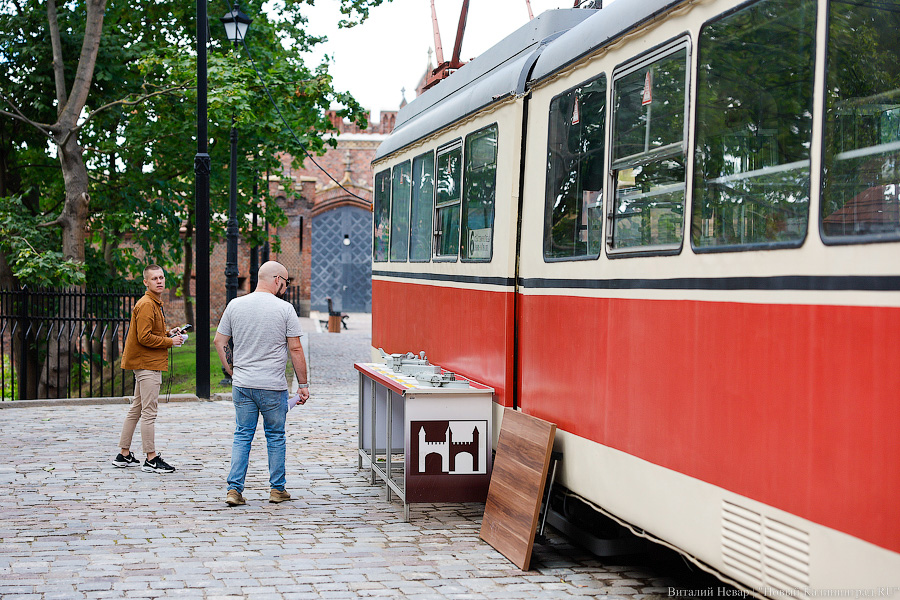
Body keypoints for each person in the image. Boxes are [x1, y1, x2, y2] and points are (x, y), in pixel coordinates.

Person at [214, 261, 310, 506]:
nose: (286, 288)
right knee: (275, 436)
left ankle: (234, 490)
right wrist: (303, 383)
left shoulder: (235, 305)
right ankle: (277, 489)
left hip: (243, 384)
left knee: (242, 435)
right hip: (272, 386)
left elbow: (220, 341)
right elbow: (295, 348)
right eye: (286, 283)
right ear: (277, 279)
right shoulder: (285, 309)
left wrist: (232, 371)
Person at [112, 264, 186, 474]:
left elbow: (152, 331)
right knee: (149, 412)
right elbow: (144, 337)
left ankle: (123, 454)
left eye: (161, 277)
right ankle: (151, 459)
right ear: (146, 282)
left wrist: (169, 332)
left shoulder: (153, 303)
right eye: (154, 278)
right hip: (147, 365)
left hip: (146, 363)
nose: (159, 281)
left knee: (136, 408)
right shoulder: (146, 304)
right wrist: (170, 342)